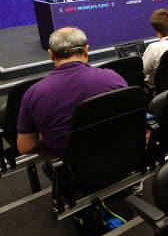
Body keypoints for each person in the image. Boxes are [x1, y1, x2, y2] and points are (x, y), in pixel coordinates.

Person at [16, 28, 127, 157]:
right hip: (119, 157)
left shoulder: (33, 93)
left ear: (51, 54)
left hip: (69, 171)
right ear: (86, 50)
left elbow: (25, 148)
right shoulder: (113, 77)